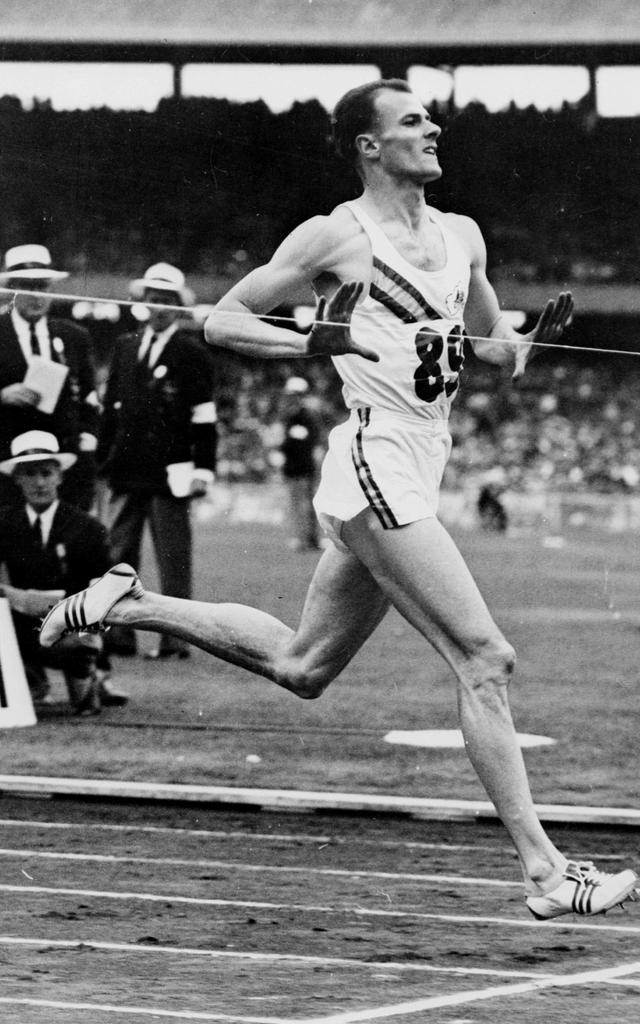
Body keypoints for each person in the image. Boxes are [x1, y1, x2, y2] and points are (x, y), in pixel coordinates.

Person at [40, 80, 637, 919]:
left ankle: (129, 603)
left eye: (430, 118)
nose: (434, 129)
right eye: (413, 121)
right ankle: (546, 872)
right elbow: (221, 321)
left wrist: (536, 339)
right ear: (369, 145)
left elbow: (497, 353)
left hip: (422, 458)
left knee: (303, 665)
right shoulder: (335, 235)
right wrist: (307, 340)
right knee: (485, 657)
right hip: (374, 459)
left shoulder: (463, 235)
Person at [96, 262, 217, 660]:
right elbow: (110, 412)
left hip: (171, 472)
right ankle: (118, 635)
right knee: (117, 558)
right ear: (142, 302)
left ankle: (175, 640)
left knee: (173, 561)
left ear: (179, 306)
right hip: (126, 469)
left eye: (167, 300)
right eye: (153, 298)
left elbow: (203, 416)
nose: (159, 306)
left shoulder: (192, 352)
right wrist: (103, 460)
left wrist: (204, 469)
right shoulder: (125, 346)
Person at [0, 430, 127, 715]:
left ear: (60, 476)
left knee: (83, 688)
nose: (39, 482)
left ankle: (93, 675)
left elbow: (107, 585)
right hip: (21, 627)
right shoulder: (3, 522)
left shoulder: (86, 526)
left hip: (72, 627)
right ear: (17, 478)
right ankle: (31, 682)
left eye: (46, 473)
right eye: (29, 474)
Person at [0, 244, 100, 513]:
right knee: (8, 551)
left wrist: (87, 437)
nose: (36, 296)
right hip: (6, 472)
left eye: (43, 287)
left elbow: (90, 400)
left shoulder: (75, 337)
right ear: (10, 289)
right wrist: (1, 396)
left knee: (71, 551)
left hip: (66, 474)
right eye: (27, 287)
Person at [279, 376, 321, 552]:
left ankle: (305, 539)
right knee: (303, 505)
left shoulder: (302, 417)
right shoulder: (296, 416)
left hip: (300, 468)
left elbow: (298, 444)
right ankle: (308, 539)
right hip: (298, 468)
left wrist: (284, 444)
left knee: (301, 505)